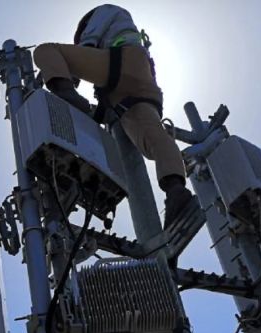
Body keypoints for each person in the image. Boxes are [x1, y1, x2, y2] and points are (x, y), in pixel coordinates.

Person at [33, 5, 194, 231]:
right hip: (138, 83)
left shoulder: (106, 11)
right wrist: (96, 113)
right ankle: (176, 190)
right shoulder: (126, 26)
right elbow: (107, 106)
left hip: (122, 62)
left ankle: (67, 94)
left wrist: (72, 73)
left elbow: (89, 40)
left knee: (45, 51)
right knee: (153, 139)